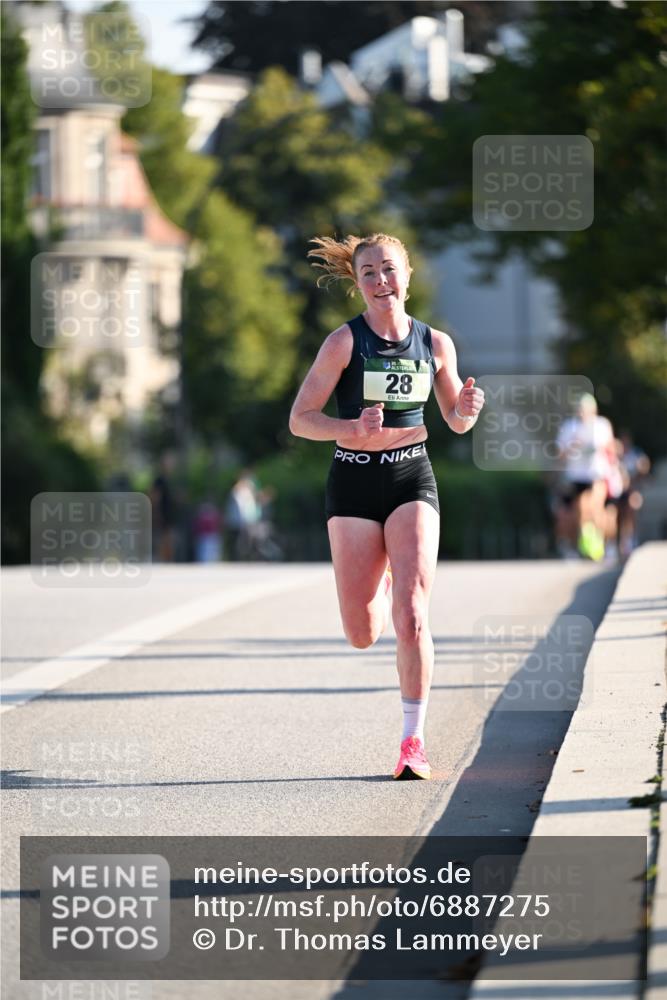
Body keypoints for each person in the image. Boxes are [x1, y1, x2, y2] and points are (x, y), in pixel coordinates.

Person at [289, 233, 485, 780]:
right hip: (353, 483)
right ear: (358, 284)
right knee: (362, 632)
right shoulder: (343, 343)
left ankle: (412, 741)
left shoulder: (436, 343)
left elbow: (455, 420)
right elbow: (300, 419)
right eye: (369, 273)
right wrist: (351, 427)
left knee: (413, 613)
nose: (381, 281)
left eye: (389, 269)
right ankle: (379, 580)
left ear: (408, 274)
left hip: (410, 477)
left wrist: (468, 408)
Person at [556, 393, 614, 562]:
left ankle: (606, 544)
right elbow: (560, 454)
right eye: (580, 410)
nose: (583, 413)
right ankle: (586, 544)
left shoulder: (601, 425)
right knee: (581, 511)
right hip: (576, 476)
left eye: (586, 409)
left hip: (597, 474)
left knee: (596, 508)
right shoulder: (569, 427)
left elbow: (611, 448)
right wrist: (573, 446)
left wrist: (601, 450)